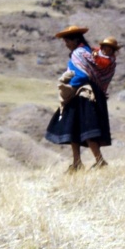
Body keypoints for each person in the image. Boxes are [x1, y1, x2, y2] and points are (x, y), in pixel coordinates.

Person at [45, 25, 113, 172]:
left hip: (83, 95)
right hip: (86, 94)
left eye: (67, 41)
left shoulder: (78, 53)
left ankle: (100, 161)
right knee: (74, 128)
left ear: (75, 40)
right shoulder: (87, 52)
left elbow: (83, 75)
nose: (66, 45)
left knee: (87, 129)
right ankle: (76, 163)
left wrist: (69, 86)